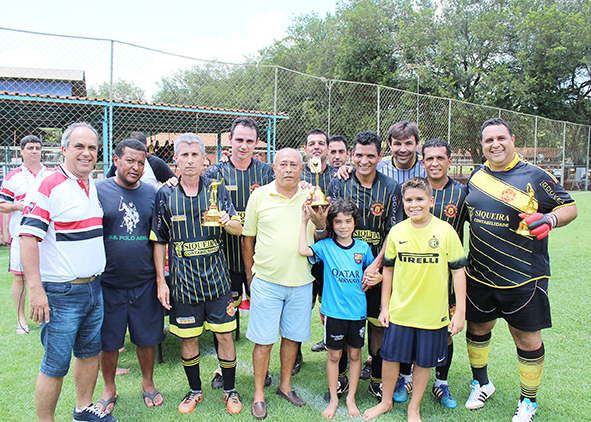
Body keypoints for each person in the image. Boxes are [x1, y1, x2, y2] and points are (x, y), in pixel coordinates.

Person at [463, 118, 577, 422]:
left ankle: (528, 401)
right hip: (479, 274)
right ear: (483, 145)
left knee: (526, 338)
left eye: (501, 138)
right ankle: (481, 383)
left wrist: (550, 220)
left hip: (524, 276)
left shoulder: (536, 175)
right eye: (489, 140)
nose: (495, 144)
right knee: (477, 330)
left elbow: (569, 207)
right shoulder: (476, 177)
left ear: (513, 139)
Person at [19, 122, 116, 422]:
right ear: (63, 149)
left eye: (92, 148)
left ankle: (83, 408)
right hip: (61, 293)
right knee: (55, 363)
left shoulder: (92, 186)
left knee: (88, 353)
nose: (86, 153)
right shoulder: (48, 185)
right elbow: (27, 238)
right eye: (79, 146)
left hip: (93, 288)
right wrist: (35, 289)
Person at [150, 133, 244, 415]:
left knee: (225, 337)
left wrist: (230, 222)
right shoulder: (165, 194)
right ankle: (195, 391)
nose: (190, 161)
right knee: (188, 338)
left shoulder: (217, 189)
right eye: (184, 155)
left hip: (218, 282)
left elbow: (239, 228)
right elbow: (158, 239)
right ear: (175, 159)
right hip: (183, 284)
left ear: (205, 159)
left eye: (195, 155)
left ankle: (230, 391)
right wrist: (160, 282)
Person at [363, 177, 467, 422]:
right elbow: (387, 270)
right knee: (390, 357)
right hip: (400, 311)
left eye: (420, 199)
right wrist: (385, 306)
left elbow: (458, 272)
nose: (414, 204)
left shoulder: (445, 231)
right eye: (409, 200)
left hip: (432, 313)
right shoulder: (397, 231)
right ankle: (386, 402)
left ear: (431, 201)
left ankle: (414, 409)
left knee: (424, 361)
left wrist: (460, 311)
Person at [242, 148, 328, 420]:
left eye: (294, 165)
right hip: (266, 281)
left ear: (303, 169)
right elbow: (248, 238)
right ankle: (258, 394)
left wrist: (319, 218)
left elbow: (323, 234)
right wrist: (250, 277)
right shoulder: (259, 195)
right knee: (263, 341)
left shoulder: (312, 195)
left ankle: (285, 386)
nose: (289, 169)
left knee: (292, 339)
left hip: (301, 282)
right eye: (283, 164)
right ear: (274, 168)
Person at [326, 131, 404, 401]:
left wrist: (377, 268)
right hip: (343, 273)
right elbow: (329, 224)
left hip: (377, 271)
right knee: (346, 322)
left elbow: (394, 231)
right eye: (359, 155)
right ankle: (341, 378)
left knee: (378, 325)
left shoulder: (391, 187)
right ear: (352, 156)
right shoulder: (339, 183)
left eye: (371, 155)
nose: (364, 160)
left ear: (380, 156)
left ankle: (377, 379)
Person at [203, 117, 275, 389]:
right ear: (230, 140)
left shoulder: (268, 172)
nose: (243, 146)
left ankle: (263, 368)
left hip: (262, 261)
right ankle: (223, 369)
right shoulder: (214, 174)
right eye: (239, 140)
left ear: (256, 143)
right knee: (225, 320)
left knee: (263, 317)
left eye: (249, 141)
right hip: (224, 261)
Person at [95, 139, 164, 415]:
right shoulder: (98, 190)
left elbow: (159, 237)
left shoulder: (152, 193)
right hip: (108, 282)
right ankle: (109, 388)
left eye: (141, 162)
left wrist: (160, 279)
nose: (136, 167)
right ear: (116, 160)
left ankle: (148, 384)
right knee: (108, 341)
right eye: (130, 161)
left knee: (147, 338)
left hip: (144, 282)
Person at [299, 198, 378, 419]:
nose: (343, 226)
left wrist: (376, 277)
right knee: (334, 355)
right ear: (332, 224)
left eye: (348, 221)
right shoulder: (325, 247)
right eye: (338, 222)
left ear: (355, 223)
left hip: (357, 313)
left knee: (354, 354)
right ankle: (334, 398)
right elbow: (302, 250)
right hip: (334, 312)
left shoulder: (363, 248)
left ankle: (351, 397)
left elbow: (373, 273)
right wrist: (304, 221)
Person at [419, 138, 469, 409]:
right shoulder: (413, 189)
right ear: (422, 161)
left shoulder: (462, 193)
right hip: (414, 274)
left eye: (441, 158)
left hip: (447, 278)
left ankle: (441, 383)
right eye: (430, 159)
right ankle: (406, 377)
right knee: (412, 325)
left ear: (450, 161)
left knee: (444, 331)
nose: (435, 163)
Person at [295, 128, 338, 374]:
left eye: (321, 143)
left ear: (328, 149)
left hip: (331, 252)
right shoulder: (298, 177)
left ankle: (336, 350)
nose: (316, 147)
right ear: (305, 148)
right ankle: (296, 354)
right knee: (302, 306)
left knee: (333, 305)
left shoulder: (339, 176)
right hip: (306, 252)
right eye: (312, 143)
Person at [0, 134, 49, 334]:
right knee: (20, 277)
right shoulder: (13, 177)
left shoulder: (50, 174)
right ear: (21, 152)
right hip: (21, 234)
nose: (34, 151)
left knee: (46, 276)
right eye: (30, 148)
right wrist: (17, 206)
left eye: (37, 148)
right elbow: (2, 204)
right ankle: (21, 319)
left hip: (45, 237)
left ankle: (44, 314)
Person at [105, 131, 177, 188]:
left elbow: (174, 181)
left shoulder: (155, 163)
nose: (135, 167)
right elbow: (106, 181)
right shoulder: (122, 163)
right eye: (130, 160)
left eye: (141, 149)